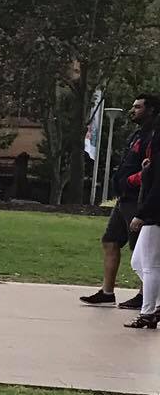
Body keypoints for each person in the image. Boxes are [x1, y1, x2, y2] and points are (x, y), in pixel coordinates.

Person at [81, 94, 157, 308]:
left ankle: (144, 295)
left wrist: (132, 180)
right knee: (110, 240)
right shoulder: (137, 135)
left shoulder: (153, 136)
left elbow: (152, 169)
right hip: (124, 198)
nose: (133, 110)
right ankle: (107, 292)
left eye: (138, 107)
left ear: (151, 110)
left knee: (140, 251)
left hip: (137, 199)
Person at [128, 107, 160, 327]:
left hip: (154, 216)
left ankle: (148, 312)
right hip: (153, 215)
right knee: (138, 262)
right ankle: (156, 306)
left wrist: (141, 214)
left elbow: (157, 190)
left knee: (149, 265)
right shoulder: (155, 159)